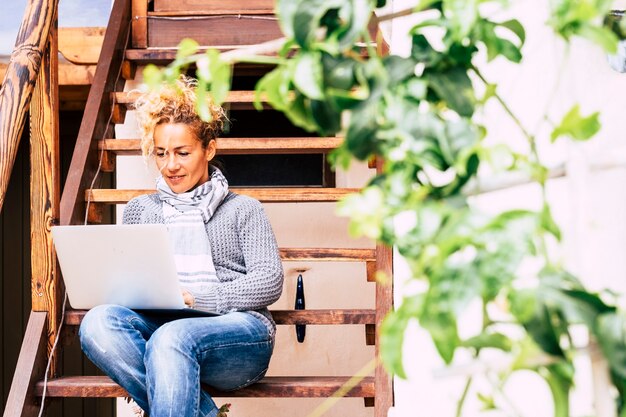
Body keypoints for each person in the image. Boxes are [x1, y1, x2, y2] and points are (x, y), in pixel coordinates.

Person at [79, 75, 284, 417]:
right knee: (97, 323)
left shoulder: (243, 209)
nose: (170, 165)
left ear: (209, 149)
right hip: (161, 332)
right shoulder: (141, 210)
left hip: (239, 335)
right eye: (161, 153)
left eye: (182, 152)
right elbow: (131, 281)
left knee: (171, 338)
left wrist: (196, 297)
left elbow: (269, 281)